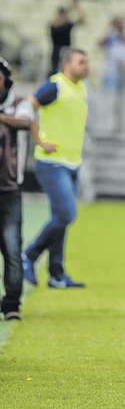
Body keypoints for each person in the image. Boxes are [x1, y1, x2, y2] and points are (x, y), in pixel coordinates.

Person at [22, 49, 90, 289]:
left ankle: (56, 273)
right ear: (67, 63)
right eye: (81, 62)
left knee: (59, 218)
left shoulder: (81, 89)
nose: (86, 66)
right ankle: (28, 255)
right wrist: (38, 140)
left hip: (72, 163)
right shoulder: (55, 86)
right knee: (66, 214)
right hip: (52, 162)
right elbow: (29, 105)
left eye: (87, 62)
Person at [0, 57, 33, 320]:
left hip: (9, 190)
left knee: (11, 247)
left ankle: (11, 303)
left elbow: (24, 123)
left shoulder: (20, 103)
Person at [99, 17, 125, 93]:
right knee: (110, 86)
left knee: (124, 87)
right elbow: (100, 43)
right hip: (112, 64)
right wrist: (107, 30)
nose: (120, 25)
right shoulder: (110, 35)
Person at [49, 2, 85, 76]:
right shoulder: (55, 24)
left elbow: (81, 20)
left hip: (66, 50)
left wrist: (77, 8)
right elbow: (57, 24)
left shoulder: (68, 25)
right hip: (56, 51)